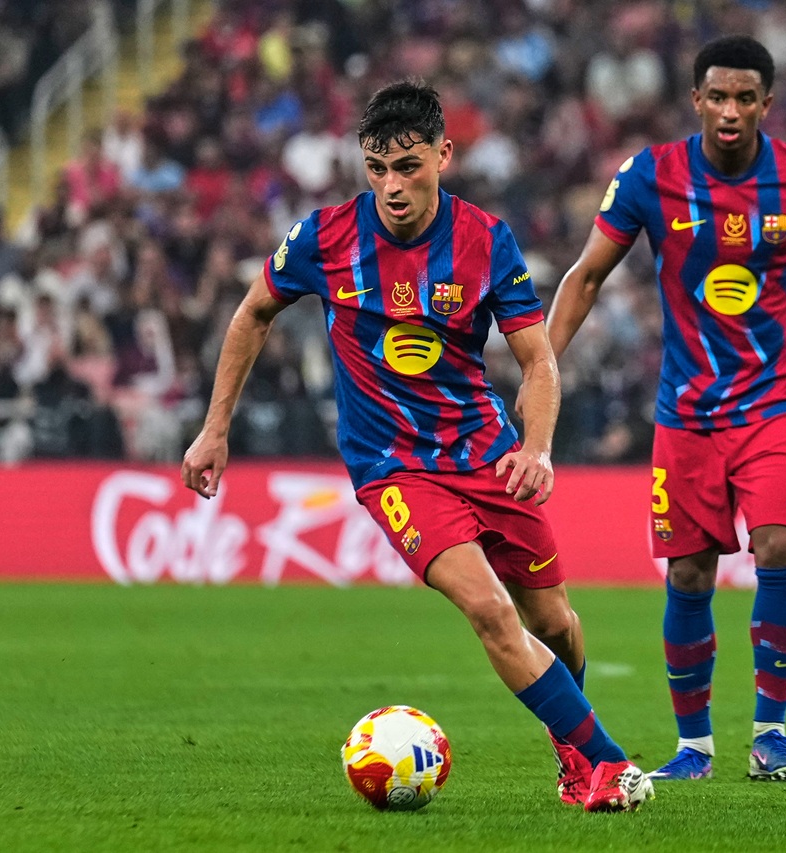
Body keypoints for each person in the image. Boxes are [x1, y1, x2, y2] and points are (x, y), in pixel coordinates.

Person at [182, 81, 653, 812]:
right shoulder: (324, 238)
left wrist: (537, 447)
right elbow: (253, 313)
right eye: (377, 169)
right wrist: (215, 427)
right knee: (489, 610)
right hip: (394, 469)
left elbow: (538, 360)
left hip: (487, 454)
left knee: (554, 623)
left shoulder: (485, 241)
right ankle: (607, 763)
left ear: (443, 154)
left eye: (407, 166)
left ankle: (570, 753)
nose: (392, 187)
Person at [541, 36, 786, 782]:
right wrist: (543, 365)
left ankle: (771, 734)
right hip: (687, 412)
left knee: (778, 546)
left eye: (744, 98)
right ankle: (694, 748)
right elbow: (587, 275)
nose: (730, 110)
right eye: (717, 96)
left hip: (775, 401)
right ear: (696, 100)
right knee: (690, 574)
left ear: (766, 103)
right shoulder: (650, 175)